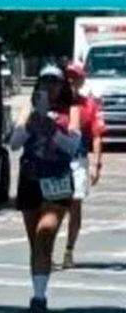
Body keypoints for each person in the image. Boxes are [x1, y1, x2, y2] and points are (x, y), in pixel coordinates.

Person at [11, 66, 81, 313]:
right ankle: (39, 294)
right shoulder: (28, 109)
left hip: (57, 179)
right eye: (45, 81)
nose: (50, 86)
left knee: (46, 231)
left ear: (63, 86)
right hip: (30, 179)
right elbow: (15, 143)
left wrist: (52, 130)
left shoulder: (70, 111)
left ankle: (38, 298)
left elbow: (74, 145)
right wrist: (30, 126)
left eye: (55, 81)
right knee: (37, 244)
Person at [63, 62, 106, 269]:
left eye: (75, 77)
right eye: (68, 76)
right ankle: (46, 249)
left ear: (81, 80)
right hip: (54, 161)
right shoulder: (54, 103)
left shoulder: (89, 105)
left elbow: (97, 135)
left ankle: (69, 250)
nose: (71, 80)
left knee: (75, 205)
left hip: (78, 159)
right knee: (52, 206)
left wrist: (96, 164)